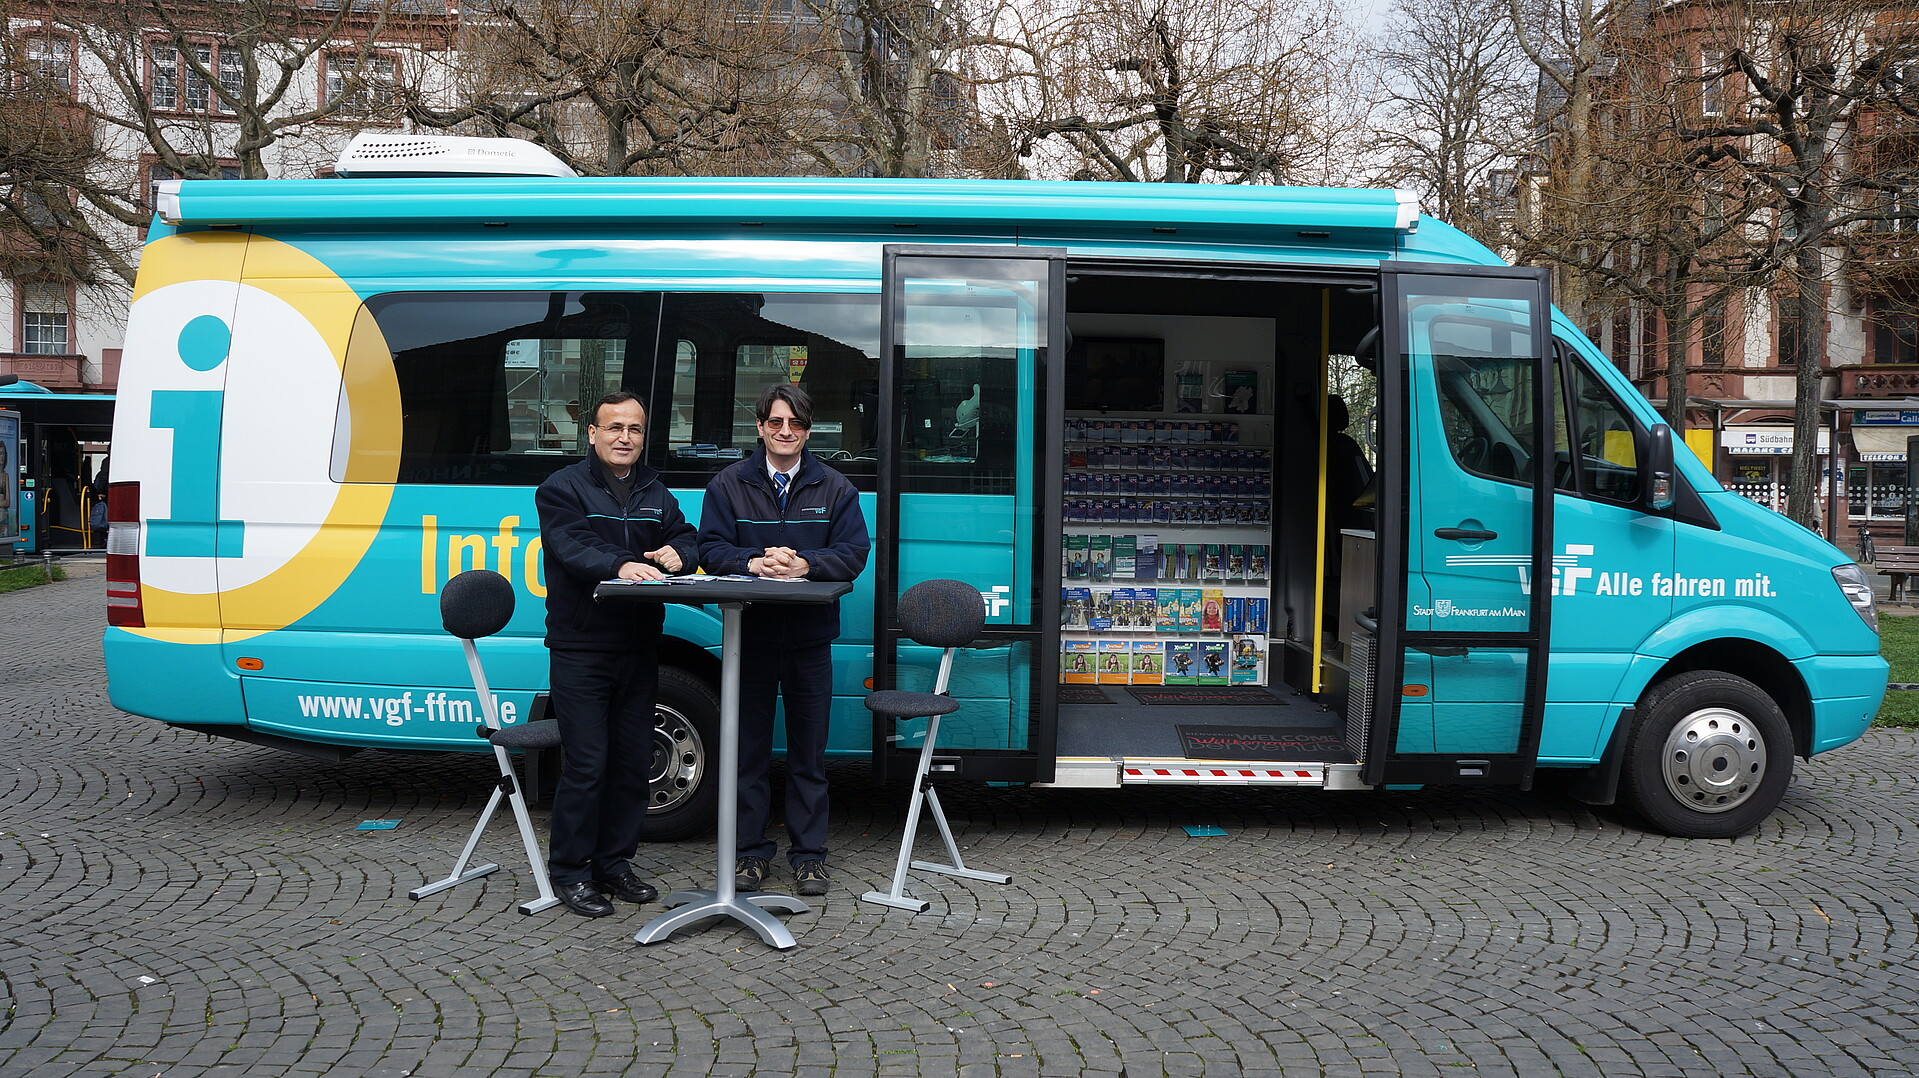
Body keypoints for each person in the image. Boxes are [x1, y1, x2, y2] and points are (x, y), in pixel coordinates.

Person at [698, 384, 870, 897]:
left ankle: (810, 858)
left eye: (795, 424)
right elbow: (708, 547)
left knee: (807, 756)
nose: (785, 432)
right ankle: (749, 856)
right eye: (775, 422)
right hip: (746, 637)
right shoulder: (727, 485)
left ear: (807, 430)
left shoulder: (835, 487)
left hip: (809, 642)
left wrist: (805, 565)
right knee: (747, 752)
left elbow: (854, 553)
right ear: (760, 427)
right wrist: (751, 563)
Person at [535, 391, 698, 918]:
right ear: (592, 433)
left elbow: (689, 537)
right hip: (582, 648)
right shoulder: (561, 489)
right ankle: (571, 874)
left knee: (631, 764)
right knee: (587, 764)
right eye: (614, 428)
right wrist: (622, 564)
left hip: (639, 646)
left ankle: (615, 864)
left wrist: (682, 552)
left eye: (634, 429)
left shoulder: (655, 489)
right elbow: (572, 547)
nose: (624, 437)